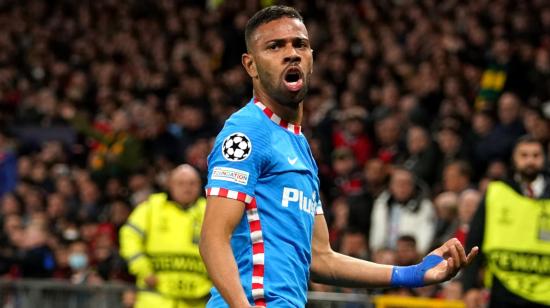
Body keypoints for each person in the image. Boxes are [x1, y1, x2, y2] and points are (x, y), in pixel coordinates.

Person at [200, 6, 477, 308]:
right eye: (275, 46)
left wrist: (412, 274)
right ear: (250, 65)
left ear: (311, 58)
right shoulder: (246, 131)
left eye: (299, 44)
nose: (291, 53)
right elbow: (213, 240)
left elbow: (321, 258)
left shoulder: (299, 145)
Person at [463, 135, 550, 308]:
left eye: (535, 155)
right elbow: (475, 240)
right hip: (502, 290)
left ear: (544, 158)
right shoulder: (496, 192)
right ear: (514, 159)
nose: (530, 161)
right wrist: (470, 286)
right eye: (524, 155)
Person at [120, 164, 211, 308]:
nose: (187, 188)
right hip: (155, 299)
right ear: (170, 184)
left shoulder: (209, 210)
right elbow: (129, 236)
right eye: (181, 183)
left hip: (197, 299)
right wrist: (143, 269)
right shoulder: (152, 207)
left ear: (200, 185)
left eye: (192, 183)